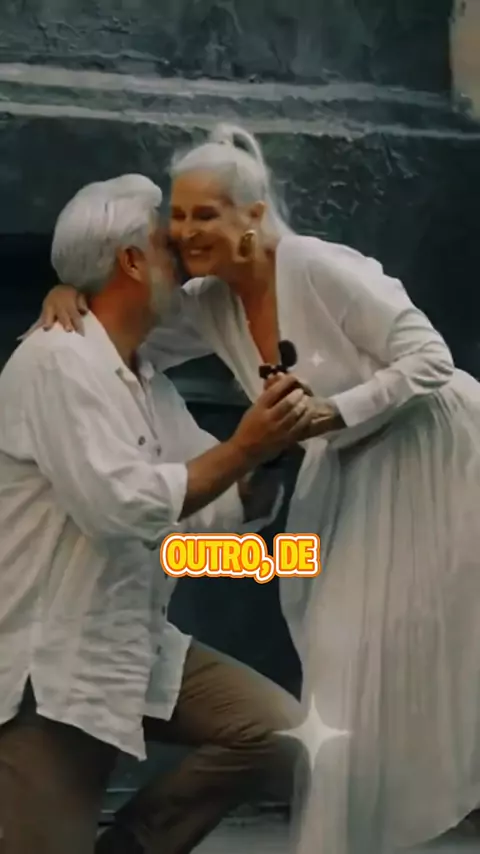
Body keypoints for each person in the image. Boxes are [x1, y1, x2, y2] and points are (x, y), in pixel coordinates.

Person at [40, 125, 480, 853]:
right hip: (355, 473)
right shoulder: (209, 300)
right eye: (178, 216)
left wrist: (334, 412)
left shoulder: (317, 266)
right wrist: (73, 291)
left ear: (253, 214)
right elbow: (127, 331)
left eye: (205, 214)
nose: (185, 231)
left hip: (441, 463)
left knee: (451, 644)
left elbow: (429, 358)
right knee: (339, 660)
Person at [0, 174, 315, 854]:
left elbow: (209, 504)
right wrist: (243, 446)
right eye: (168, 244)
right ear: (132, 261)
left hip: (132, 644)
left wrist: (267, 458)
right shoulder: (56, 364)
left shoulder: (145, 378)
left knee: (276, 732)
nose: (187, 253)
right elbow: (122, 508)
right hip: (51, 667)